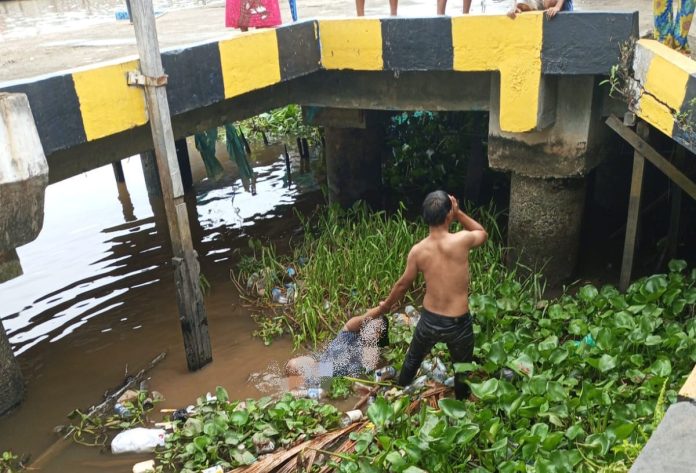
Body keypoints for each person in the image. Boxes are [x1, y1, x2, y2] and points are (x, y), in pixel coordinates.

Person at [345, 191, 488, 400]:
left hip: (429, 319)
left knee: (413, 359)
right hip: (458, 322)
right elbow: (481, 232)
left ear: (425, 217)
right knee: (462, 368)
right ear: (448, 215)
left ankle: (399, 392)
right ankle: (460, 405)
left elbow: (402, 285)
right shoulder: (462, 240)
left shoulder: (418, 251)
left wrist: (385, 307)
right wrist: (459, 214)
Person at [285, 315, 389, 387]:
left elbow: (368, 376)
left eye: (376, 330)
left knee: (314, 391)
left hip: (331, 378)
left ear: (380, 336)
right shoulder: (349, 333)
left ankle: (300, 392)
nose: (371, 331)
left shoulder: (372, 356)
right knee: (292, 365)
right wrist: (381, 309)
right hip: (319, 363)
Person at [507, 0, 573, 19]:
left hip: (563, 4)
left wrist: (557, 7)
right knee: (521, 5)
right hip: (543, 4)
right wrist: (513, 7)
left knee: (551, 1)